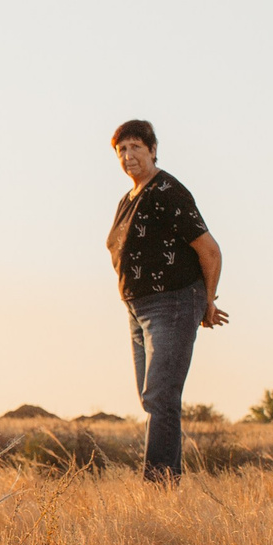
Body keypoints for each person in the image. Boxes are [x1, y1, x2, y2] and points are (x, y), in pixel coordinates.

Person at [107, 119, 226, 482]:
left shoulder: (167, 190)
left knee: (161, 396)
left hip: (172, 304)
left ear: (153, 149)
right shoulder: (127, 200)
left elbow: (210, 251)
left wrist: (205, 303)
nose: (129, 155)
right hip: (137, 309)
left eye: (136, 147)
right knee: (153, 399)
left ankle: (159, 484)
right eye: (121, 150)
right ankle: (165, 479)